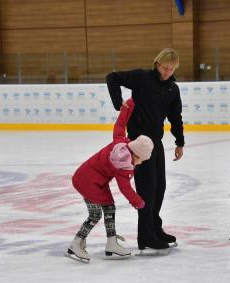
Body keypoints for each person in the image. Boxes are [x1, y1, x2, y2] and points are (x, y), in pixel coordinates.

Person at [106, 48, 184, 252]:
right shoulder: (142, 77)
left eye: (172, 69)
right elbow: (112, 78)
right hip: (138, 144)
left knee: (159, 188)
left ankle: (154, 229)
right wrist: (118, 103)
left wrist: (180, 142)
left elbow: (175, 117)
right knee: (147, 189)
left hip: (156, 143)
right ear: (158, 63)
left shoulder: (172, 89)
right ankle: (146, 235)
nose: (168, 72)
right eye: (165, 67)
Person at [65, 99, 153, 263]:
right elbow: (125, 189)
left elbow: (120, 125)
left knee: (109, 207)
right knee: (95, 213)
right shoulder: (123, 166)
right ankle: (75, 244)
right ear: (136, 154)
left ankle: (111, 243)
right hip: (86, 181)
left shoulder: (121, 142)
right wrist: (139, 203)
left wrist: (128, 106)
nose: (141, 162)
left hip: (95, 179)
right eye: (142, 159)